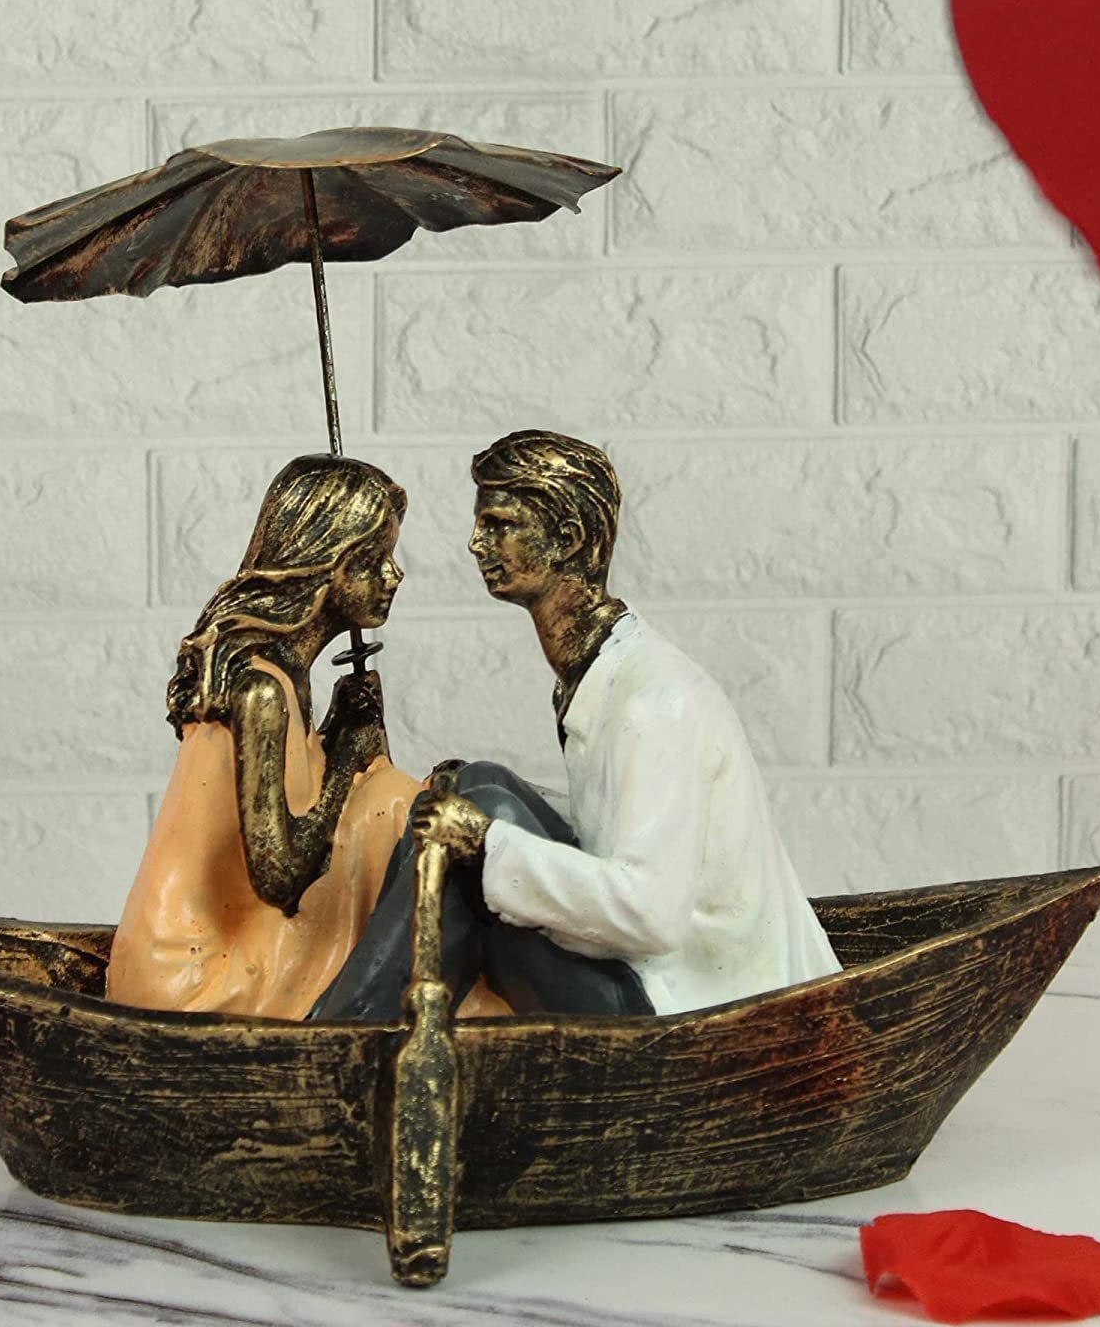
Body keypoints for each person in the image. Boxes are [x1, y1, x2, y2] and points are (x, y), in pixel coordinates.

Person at [310, 429, 841, 1022]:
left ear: (567, 540)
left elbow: (650, 915)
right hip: (669, 974)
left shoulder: (652, 704)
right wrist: (483, 814)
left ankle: (342, 1034)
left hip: (688, 1003)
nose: (475, 543)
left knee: (477, 834)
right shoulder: (598, 674)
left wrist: (485, 841)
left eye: (499, 525)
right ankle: (348, 1020)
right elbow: (616, 826)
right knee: (479, 783)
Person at [105, 454, 424, 1019]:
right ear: (322, 566)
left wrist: (342, 733)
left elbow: (291, 797)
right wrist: (348, 763)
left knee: (387, 797)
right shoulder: (260, 690)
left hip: (236, 941)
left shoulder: (284, 676)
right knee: (392, 801)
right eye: (372, 561)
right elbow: (280, 877)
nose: (392, 576)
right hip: (198, 973)